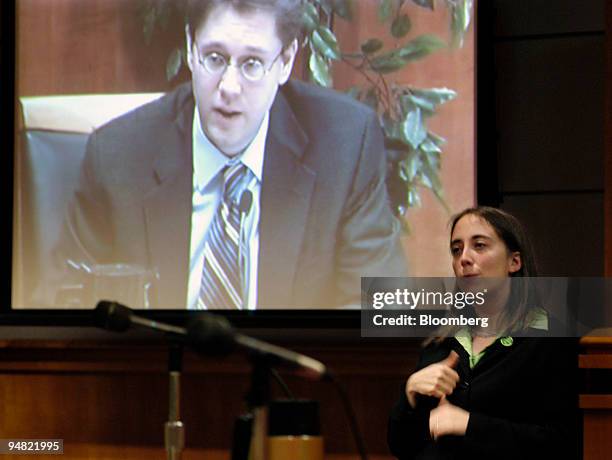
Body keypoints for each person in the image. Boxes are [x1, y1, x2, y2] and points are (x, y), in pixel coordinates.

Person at [43, 0, 406, 309]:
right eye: (214, 58)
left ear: (285, 61)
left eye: (251, 64)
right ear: (189, 47)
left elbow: (378, 305)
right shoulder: (119, 156)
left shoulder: (343, 147)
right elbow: (65, 300)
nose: (229, 88)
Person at [387, 206, 578, 459]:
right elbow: (402, 447)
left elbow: (562, 444)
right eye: (456, 250)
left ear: (514, 262)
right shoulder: (442, 342)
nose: (464, 258)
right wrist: (409, 396)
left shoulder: (550, 340)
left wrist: (468, 424)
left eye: (479, 246)